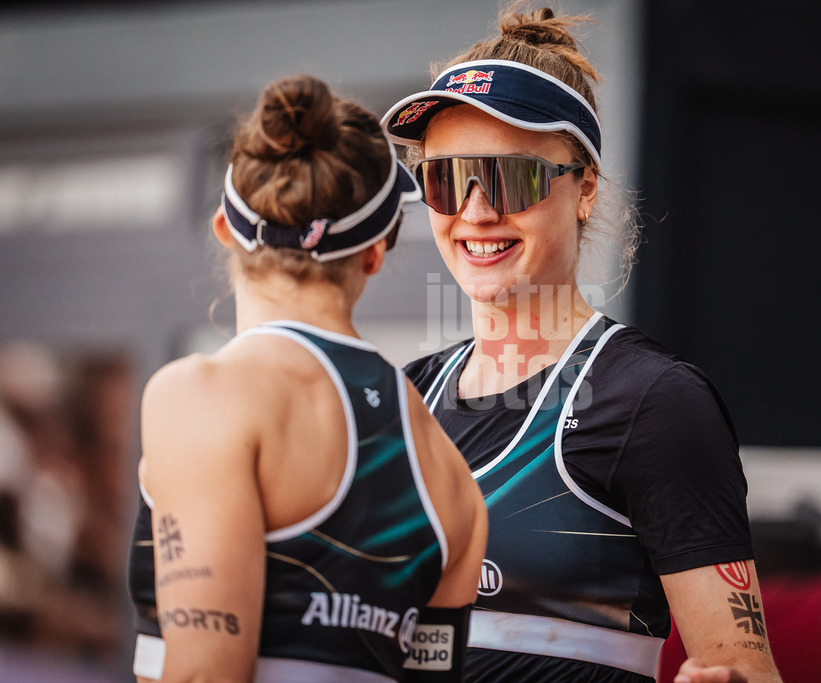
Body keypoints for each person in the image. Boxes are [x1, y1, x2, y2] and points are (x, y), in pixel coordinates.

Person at [381, 5, 782, 683]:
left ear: (585, 189)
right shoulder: (405, 396)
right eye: (446, 179)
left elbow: (742, 667)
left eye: (508, 177)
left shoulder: (654, 402)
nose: (476, 211)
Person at [127, 74, 488, 683]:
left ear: (225, 228)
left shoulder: (201, 396)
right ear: (374, 253)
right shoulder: (450, 476)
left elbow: (203, 674)